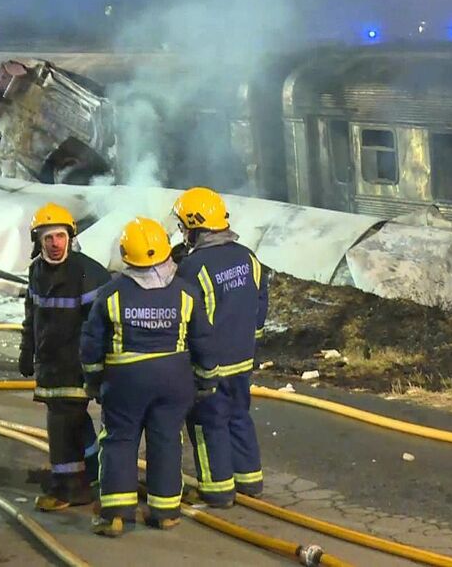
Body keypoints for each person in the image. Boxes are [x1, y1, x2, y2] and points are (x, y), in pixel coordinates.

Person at [80, 217, 212, 537]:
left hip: (125, 382)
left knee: (119, 441)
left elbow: (91, 343)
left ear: (126, 254)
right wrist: (206, 378)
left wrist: (94, 381)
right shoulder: (186, 293)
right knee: (166, 440)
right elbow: (203, 340)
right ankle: (165, 511)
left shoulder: (111, 294)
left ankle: (116, 514)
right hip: (174, 381)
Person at [173, 187, 269, 508]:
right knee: (239, 416)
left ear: (195, 226)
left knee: (206, 423)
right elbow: (259, 310)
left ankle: (218, 490)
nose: (182, 233)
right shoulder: (248, 257)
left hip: (209, 364)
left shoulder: (192, 268)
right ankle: (250, 481)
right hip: (243, 359)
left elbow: (189, 318)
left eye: (184, 226)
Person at [19, 202, 111, 512]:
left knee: (62, 427)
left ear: (70, 237)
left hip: (76, 367)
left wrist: (96, 367)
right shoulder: (36, 272)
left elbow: (102, 325)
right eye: (48, 238)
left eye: (60, 236)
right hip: (50, 366)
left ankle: (70, 488)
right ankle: (98, 474)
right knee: (76, 424)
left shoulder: (87, 272)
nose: (55, 244)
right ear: (39, 241)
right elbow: (32, 317)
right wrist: (26, 350)